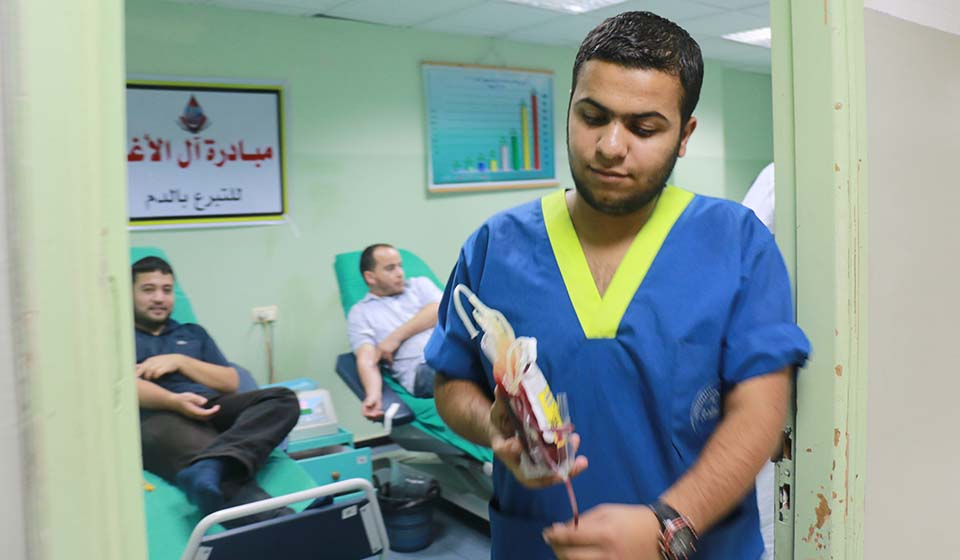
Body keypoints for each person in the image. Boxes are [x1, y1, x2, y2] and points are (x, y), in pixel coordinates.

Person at [424, 11, 810, 560]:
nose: (610, 146)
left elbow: (761, 414)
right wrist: (491, 427)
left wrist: (668, 526)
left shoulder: (737, 244)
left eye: (643, 128)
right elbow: (452, 382)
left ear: (684, 135)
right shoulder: (495, 246)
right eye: (592, 116)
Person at [133, 256, 300, 527]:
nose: (159, 298)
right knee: (204, 452)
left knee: (282, 399)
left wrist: (180, 361)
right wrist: (174, 401)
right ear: (130, 294)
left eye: (167, 290)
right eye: (148, 290)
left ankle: (215, 463)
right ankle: (279, 523)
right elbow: (123, 386)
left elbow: (229, 381)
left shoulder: (192, 333)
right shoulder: (120, 337)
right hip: (160, 415)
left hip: (210, 404)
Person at [347, 244, 443, 419]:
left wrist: (394, 338)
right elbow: (367, 358)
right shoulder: (360, 313)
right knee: (465, 367)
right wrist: (373, 396)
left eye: (400, 266)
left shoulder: (420, 285)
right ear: (370, 277)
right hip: (422, 369)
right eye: (390, 268)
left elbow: (440, 310)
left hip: (451, 352)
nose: (400, 273)